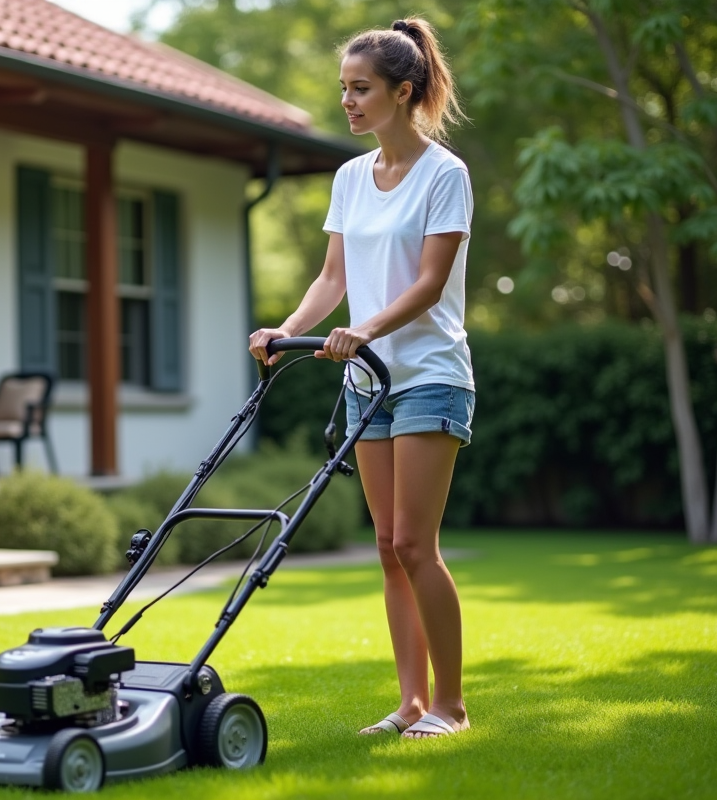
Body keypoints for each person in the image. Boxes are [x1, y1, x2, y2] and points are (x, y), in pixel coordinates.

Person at [248, 17, 474, 739]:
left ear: (403, 92)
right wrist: (288, 328)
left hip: (429, 374)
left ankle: (450, 705)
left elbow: (431, 283)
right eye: (344, 89)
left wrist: (367, 328)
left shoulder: (446, 175)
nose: (347, 101)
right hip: (365, 382)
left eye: (361, 89)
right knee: (385, 547)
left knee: (415, 544)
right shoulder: (350, 177)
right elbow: (333, 278)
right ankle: (409, 704)